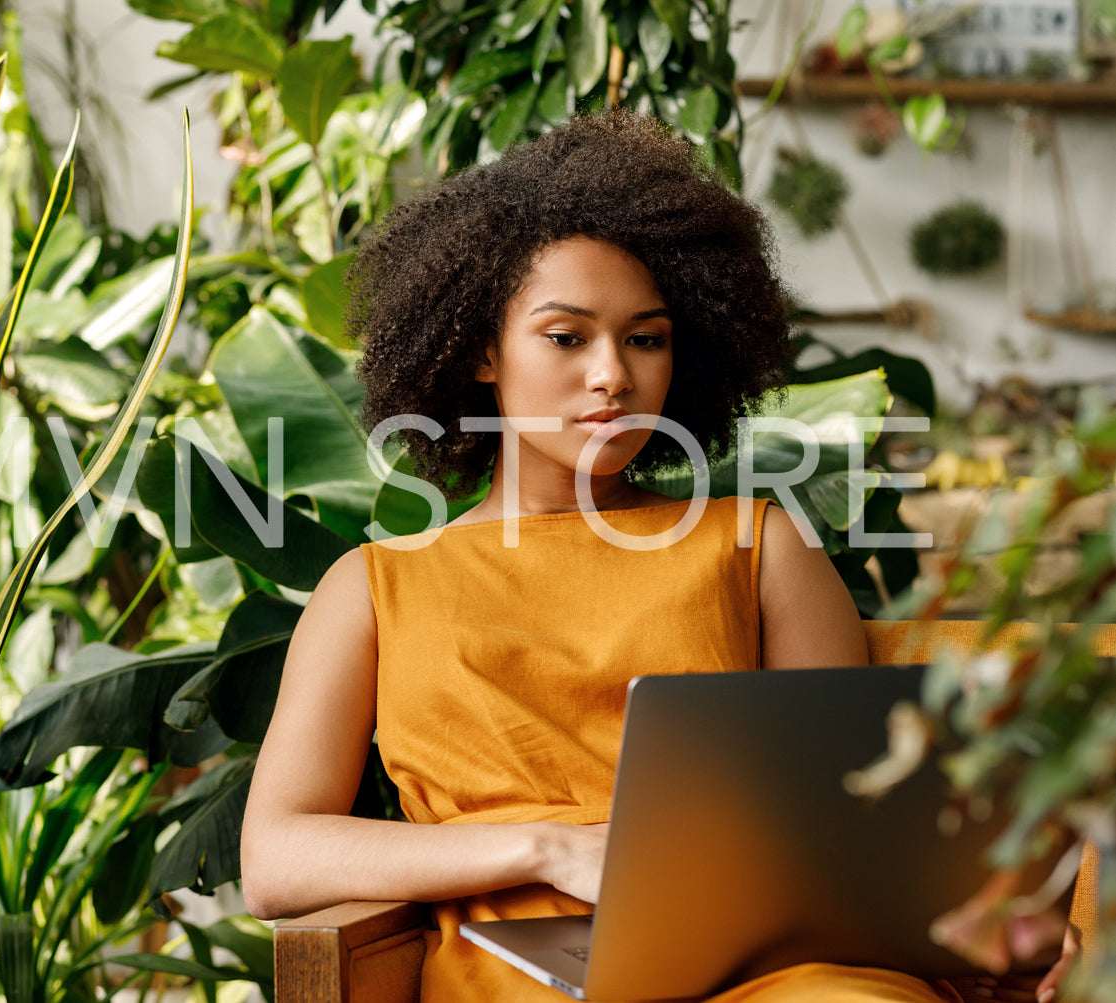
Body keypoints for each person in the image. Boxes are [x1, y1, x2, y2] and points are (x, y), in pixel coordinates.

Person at [239, 111, 1078, 1003]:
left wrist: (994, 926)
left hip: (769, 967)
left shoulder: (756, 545)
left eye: (645, 337)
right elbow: (275, 855)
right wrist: (550, 846)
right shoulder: (375, 588)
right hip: (524, 975)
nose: (613, 374)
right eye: (566, 338)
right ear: (481, 351)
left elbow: (850, 832)